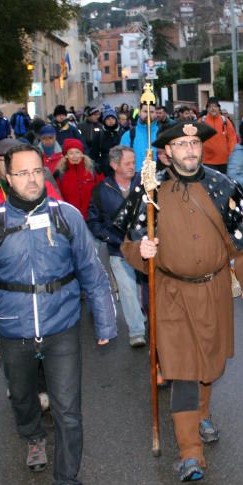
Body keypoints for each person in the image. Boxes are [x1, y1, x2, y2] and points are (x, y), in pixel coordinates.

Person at [0, 143, 117, 485]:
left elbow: (92, 273)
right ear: (6, 176)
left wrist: (106, 319)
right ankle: (32, 435)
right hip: (13, 329)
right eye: (22, 173)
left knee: (68, 410)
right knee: (23, 397)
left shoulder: (67, 217)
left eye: (37, 172)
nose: (32, 180)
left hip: (61, 325)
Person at [116, 120, 243, 482]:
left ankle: (201, 415)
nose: (190, 151)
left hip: (213, 291)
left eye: (194, 143)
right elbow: (128, 241)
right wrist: (142, 250)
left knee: (209, 366)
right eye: (181, 145)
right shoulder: (150, 191)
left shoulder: (222, 186)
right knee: (182, 371)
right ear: (167, 153)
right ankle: (190, 453)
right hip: (171, 294)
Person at [87, 145, 147, 348]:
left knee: (147, 288)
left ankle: (148, 316)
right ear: (114, 165)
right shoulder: (101, 191)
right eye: (127, 163)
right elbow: (94, 221)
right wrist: (110, 238)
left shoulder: (145, 183)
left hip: (146, 247)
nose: (133, 167)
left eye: (134, 162)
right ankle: (137, 331)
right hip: (118, 249)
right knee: (128, 290)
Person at [54, 138, 103, 219]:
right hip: (71, 218)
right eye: (71, 153)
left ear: (82, 154)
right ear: (66, 155)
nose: (74, 156)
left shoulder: (93, 170)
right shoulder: (60, 174)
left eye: (77, 152)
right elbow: (57, 198)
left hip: (93, 217)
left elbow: (102, 192)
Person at [200, 98, 238, 173]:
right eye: (210, 106)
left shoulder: (225, 121)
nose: (213, 108)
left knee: (223, 182)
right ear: (207, 109)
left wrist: (231, 155)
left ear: (219, 108)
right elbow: (196, 139)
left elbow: (232, 139)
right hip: (207, 161)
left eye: (215, 106)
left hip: (224, 160)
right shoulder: (202, 121)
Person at [119, 102, 160, 172]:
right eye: (145, 111)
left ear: (156, 114)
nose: (148, 114)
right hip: (135, 179)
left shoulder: (162, 134)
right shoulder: (128, 135)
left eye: (152, 112)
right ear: (139, 112)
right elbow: (122, 160)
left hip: (159, 178)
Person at [86, 108, 123, 178]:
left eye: (112, 118)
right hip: (104, 169)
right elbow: (93, 153)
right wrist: (97, 165)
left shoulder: (122, 133)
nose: (110, 121)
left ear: (116, 120)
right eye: (108, 119)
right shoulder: (99, 134)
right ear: (104, 121)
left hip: (120, 166)